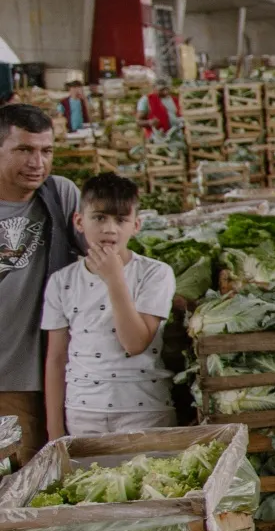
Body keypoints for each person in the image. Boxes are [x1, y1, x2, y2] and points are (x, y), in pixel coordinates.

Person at [41, 173, 175, 437]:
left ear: (136, 225)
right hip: (82, 412)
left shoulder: (155, 274)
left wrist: (114, 279)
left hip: (145, 411)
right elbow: (56, 358)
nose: (110, 229)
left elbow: (135, 343)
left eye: (121, 219)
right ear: (79, 221)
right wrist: (55, 430)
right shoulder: (61, 282)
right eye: (99, 217)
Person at [0, 105, 82, 451]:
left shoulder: (60, 195)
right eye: (23, 150)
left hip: (38, 375)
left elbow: (106, 256)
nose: (37, 163)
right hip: (5, 371)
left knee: (30, 482)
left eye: (45, 151)